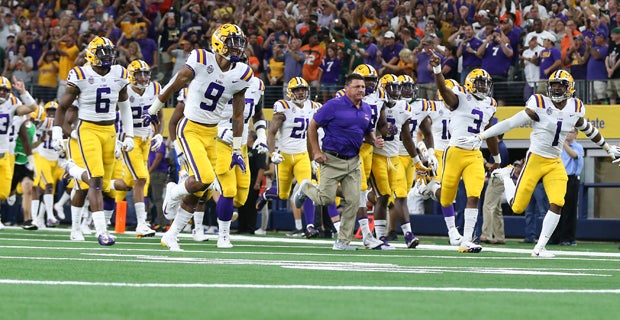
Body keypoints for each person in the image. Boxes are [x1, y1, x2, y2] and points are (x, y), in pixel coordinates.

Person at [466, 70, 620, 257]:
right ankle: (506, 176)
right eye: (553, 85)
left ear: (569, 88)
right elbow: (510, 123)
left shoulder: (575, 107)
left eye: (560, 85)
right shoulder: (539, 103)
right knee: (517, 207)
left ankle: (539, 247)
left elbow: (588, 129)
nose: (555, 89)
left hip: (555, 161)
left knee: (557, 201)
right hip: (536, 159)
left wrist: (607, 147)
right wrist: (482, 135)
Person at [143, 24, 254, 251]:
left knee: (201, 190)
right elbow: (175, 84)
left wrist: (235, 150)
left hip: (212, 133)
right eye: (231, 42)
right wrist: (154, 109)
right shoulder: (201, 58)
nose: (236, 47)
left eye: (238, 42)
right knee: (203, 179)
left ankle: (171, 235)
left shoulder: (243, 72)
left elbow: (238, 115)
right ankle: (173, 191)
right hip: (191, 128)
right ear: (218, 43)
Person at [52, 36, 134, 246]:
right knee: (96, 180)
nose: (107, 56)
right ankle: (102, 232)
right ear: (91, 54)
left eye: (109, 52)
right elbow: (62, 107)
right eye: (102, 52)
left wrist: (129, 134)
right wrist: (56, 131)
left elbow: (124, 106)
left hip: (110, 131)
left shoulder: (120, 73)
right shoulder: (80, 74)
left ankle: (73, 169)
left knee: (100, 184)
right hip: (87, 129)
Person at [293, 73, 383, 250]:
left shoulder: (366, 109)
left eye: (363, 87)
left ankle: (342, 241)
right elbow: (313, 126)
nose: (361, 90)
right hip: (332, 159)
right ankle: (305, 187)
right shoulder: (333, 105)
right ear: (347, 88)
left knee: (354, 201)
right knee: (325, 199)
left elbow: (367, 131)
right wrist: (316, 152)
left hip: (353, 161)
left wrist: (374, 140)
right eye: (357, 86)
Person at [427, 53, 501, 254]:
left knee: (474, 195)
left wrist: (496, 159)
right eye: (480, 83)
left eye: (486, 83)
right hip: (454, 153)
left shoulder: (490, 104)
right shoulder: (459, 97)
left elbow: (490, 132)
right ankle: (431, 191)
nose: (484, 87)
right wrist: (437, 71)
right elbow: (443, 89)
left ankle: (467, 239)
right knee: (446, 197)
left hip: (475, 154)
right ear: (470, 84)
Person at [267, 77, 320, 238]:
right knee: (283, 195)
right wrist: (272, 153)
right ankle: (265, 195)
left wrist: (312, 159)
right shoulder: (283, 107)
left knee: (307, 188)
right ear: (291, 92)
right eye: (297, 90)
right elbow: (271, 133)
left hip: (302, 154)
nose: (301, 92)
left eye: (303, 89)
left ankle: (310, 226)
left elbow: (313, 135)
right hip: (283, 155)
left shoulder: (313, 107)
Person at [122, 59, 163, 238]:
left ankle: (99, 184)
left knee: (127, 183)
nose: (144, 77)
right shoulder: (123, 89)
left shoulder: (154, 88)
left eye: (146, 73)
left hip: (146, 138)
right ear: (131, 75)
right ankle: (141, 224)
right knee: (141, 178)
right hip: (130, 139)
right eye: (139, 73)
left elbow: (159, 114)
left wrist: (158, 133)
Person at [0, 77, 39, 206]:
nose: (2, 92)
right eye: (0, 89)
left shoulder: (12, 102)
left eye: (5, 90)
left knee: (4, 192)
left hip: (6, 153)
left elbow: (32, 107)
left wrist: (23, 92)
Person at [550, 127, 583, 246]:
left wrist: (564, 144)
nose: (568, 134)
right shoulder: (559, 147)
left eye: (571, 132)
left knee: (570, 209)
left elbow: (574, 156)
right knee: (556, 207)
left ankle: (568, 237)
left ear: (576, 134)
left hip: (571, 179)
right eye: (567, 132)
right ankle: (555, 237)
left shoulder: (578, 147)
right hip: (559, 178)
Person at [237, 131, 267, 234]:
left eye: (248, 136)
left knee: (251, 205)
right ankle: (241, 227)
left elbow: (261, 168)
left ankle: (250, 228)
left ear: (251, 138)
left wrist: (258, 182)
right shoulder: (244, 149)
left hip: (253, 179)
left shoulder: (258, 150)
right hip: (243, 178)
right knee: (241, 203)